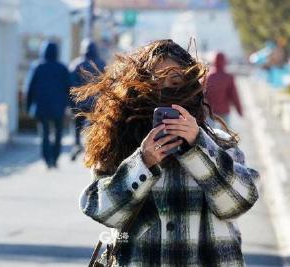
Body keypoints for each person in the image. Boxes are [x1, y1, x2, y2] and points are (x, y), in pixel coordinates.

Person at [74, 39, 260, 266]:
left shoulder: (220, 144)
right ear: (137, 87)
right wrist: (142, 163)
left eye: (175, 80)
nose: (165, 90)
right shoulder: (118, 144)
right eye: (155, 82)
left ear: (190, 86)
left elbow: (239, 202)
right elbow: (102, 212)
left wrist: (198, 147)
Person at [26, 41, 70, 169]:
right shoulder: (62, 68)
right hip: (58, 107)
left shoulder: (37, 66)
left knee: (44, 134)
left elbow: (29, 88)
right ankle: (55, 158)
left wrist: (29, 105)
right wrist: (69, 105)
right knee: (58, 134)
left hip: (41, 107)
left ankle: (47, 159)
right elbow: (70, 88)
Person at [69, 39, 106, 161]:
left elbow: (70, 85)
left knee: (77, 126)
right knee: (94, 128)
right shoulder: (101, 64)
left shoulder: (75, 64)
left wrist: (70, 102)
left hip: (79, 103)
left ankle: (76, 145)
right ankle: (92, 150)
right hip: (96, 104)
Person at [205, 52, 243, 128]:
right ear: (224, 61)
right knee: (225, 136)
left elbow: (203, 95)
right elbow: (234, 96)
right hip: (224, 111)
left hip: (210, 112)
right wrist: (239, 111)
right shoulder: (228, 77)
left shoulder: (208, 76)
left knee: (211, 135)